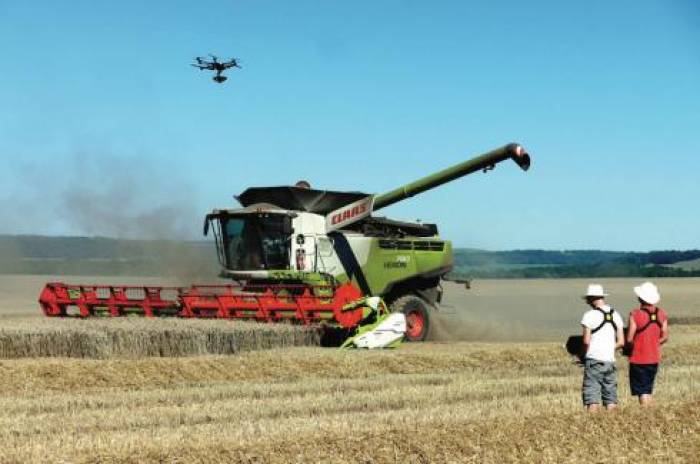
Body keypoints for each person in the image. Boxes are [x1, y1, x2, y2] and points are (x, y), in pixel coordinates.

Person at [579, 284, 625, 412]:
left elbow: (586, 341)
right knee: (611, 397)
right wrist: (608, 349)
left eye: (588, 299)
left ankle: (592, 427)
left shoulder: (589, 315)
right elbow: (621, 342)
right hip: (610, 360)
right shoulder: (616, 314)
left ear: (592, 298)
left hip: (594, 359)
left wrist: (582, 355)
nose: (587, 302)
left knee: (592, 396)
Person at [626, 281, 669, 406]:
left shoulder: (635, 314)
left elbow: (629, 339)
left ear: (640, 298)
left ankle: (647, 414)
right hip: (654, 358)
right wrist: (654, 344)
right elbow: (665, 336)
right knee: (648, 389)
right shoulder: (662, 313)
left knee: (642, 391)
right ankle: (651, 413)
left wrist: (630, 348)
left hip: (638, 358)